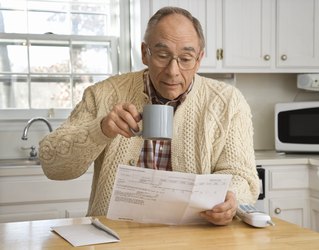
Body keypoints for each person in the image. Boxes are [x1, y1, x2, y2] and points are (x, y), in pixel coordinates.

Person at [39, 6, 259, 226]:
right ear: (145, 53)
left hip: (194, 236)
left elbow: (243, 177)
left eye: (186, 58)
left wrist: (231, 197)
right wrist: (101, 130)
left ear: (199, 59)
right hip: (115, 234)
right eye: (163, 55)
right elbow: (53, 165)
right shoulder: (103, 94)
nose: (173, 71)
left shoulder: (228, 102)